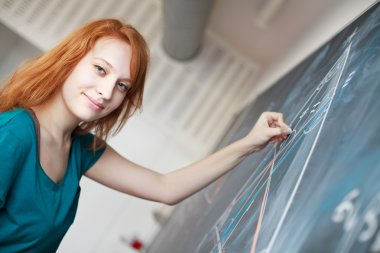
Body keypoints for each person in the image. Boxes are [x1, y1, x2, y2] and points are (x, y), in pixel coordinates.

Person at [0, 18, 291, 252]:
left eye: (122, 86)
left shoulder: (81, 148)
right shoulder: (13, 134)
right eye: (100, 69)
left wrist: (251, 143)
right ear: (70, 60)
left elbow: (165, 188)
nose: (106, 92)